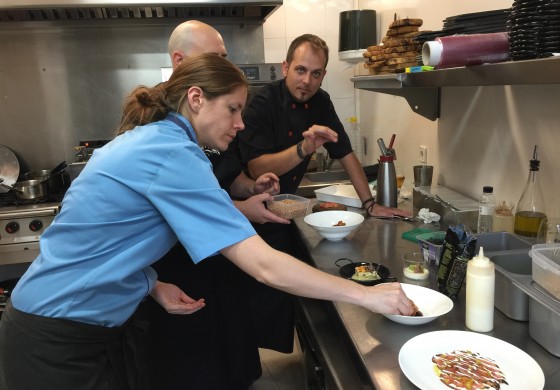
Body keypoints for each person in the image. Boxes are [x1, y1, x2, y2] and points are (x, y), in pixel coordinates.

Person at [0, 53, 414, 390]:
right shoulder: (174, 154)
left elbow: (105, 239)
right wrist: (366, 296)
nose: (240, 123)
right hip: (57, 340)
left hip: (65, 326)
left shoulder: (157, 139)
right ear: (196, 99)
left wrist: (151, 282)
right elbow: (264, 265)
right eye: (233, 109)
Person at [135, 21, 289, 389]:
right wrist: (242, 210)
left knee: (232, 354)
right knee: (194, 363)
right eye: (215, 58)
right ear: (180, 62)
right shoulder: (158, 127)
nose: (226, 66)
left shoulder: (213, 116)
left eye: (225, 58)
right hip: (180, 266)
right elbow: (177, 210)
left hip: (222, 257)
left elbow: (228, 173)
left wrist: (250, 188)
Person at [236, 34, 413, 354]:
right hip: (246, 207)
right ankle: (247, 359)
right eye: (301, 70)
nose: (307, 80)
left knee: (277, 294)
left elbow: (345, 153)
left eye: (316, 73)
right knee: (251, 294)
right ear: (285, 67)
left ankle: (278, 355)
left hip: (283, 210)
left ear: (324, 75)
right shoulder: (262, 103)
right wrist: (304, 148)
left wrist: (370, 203)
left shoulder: (321, 103)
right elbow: (256, 164)